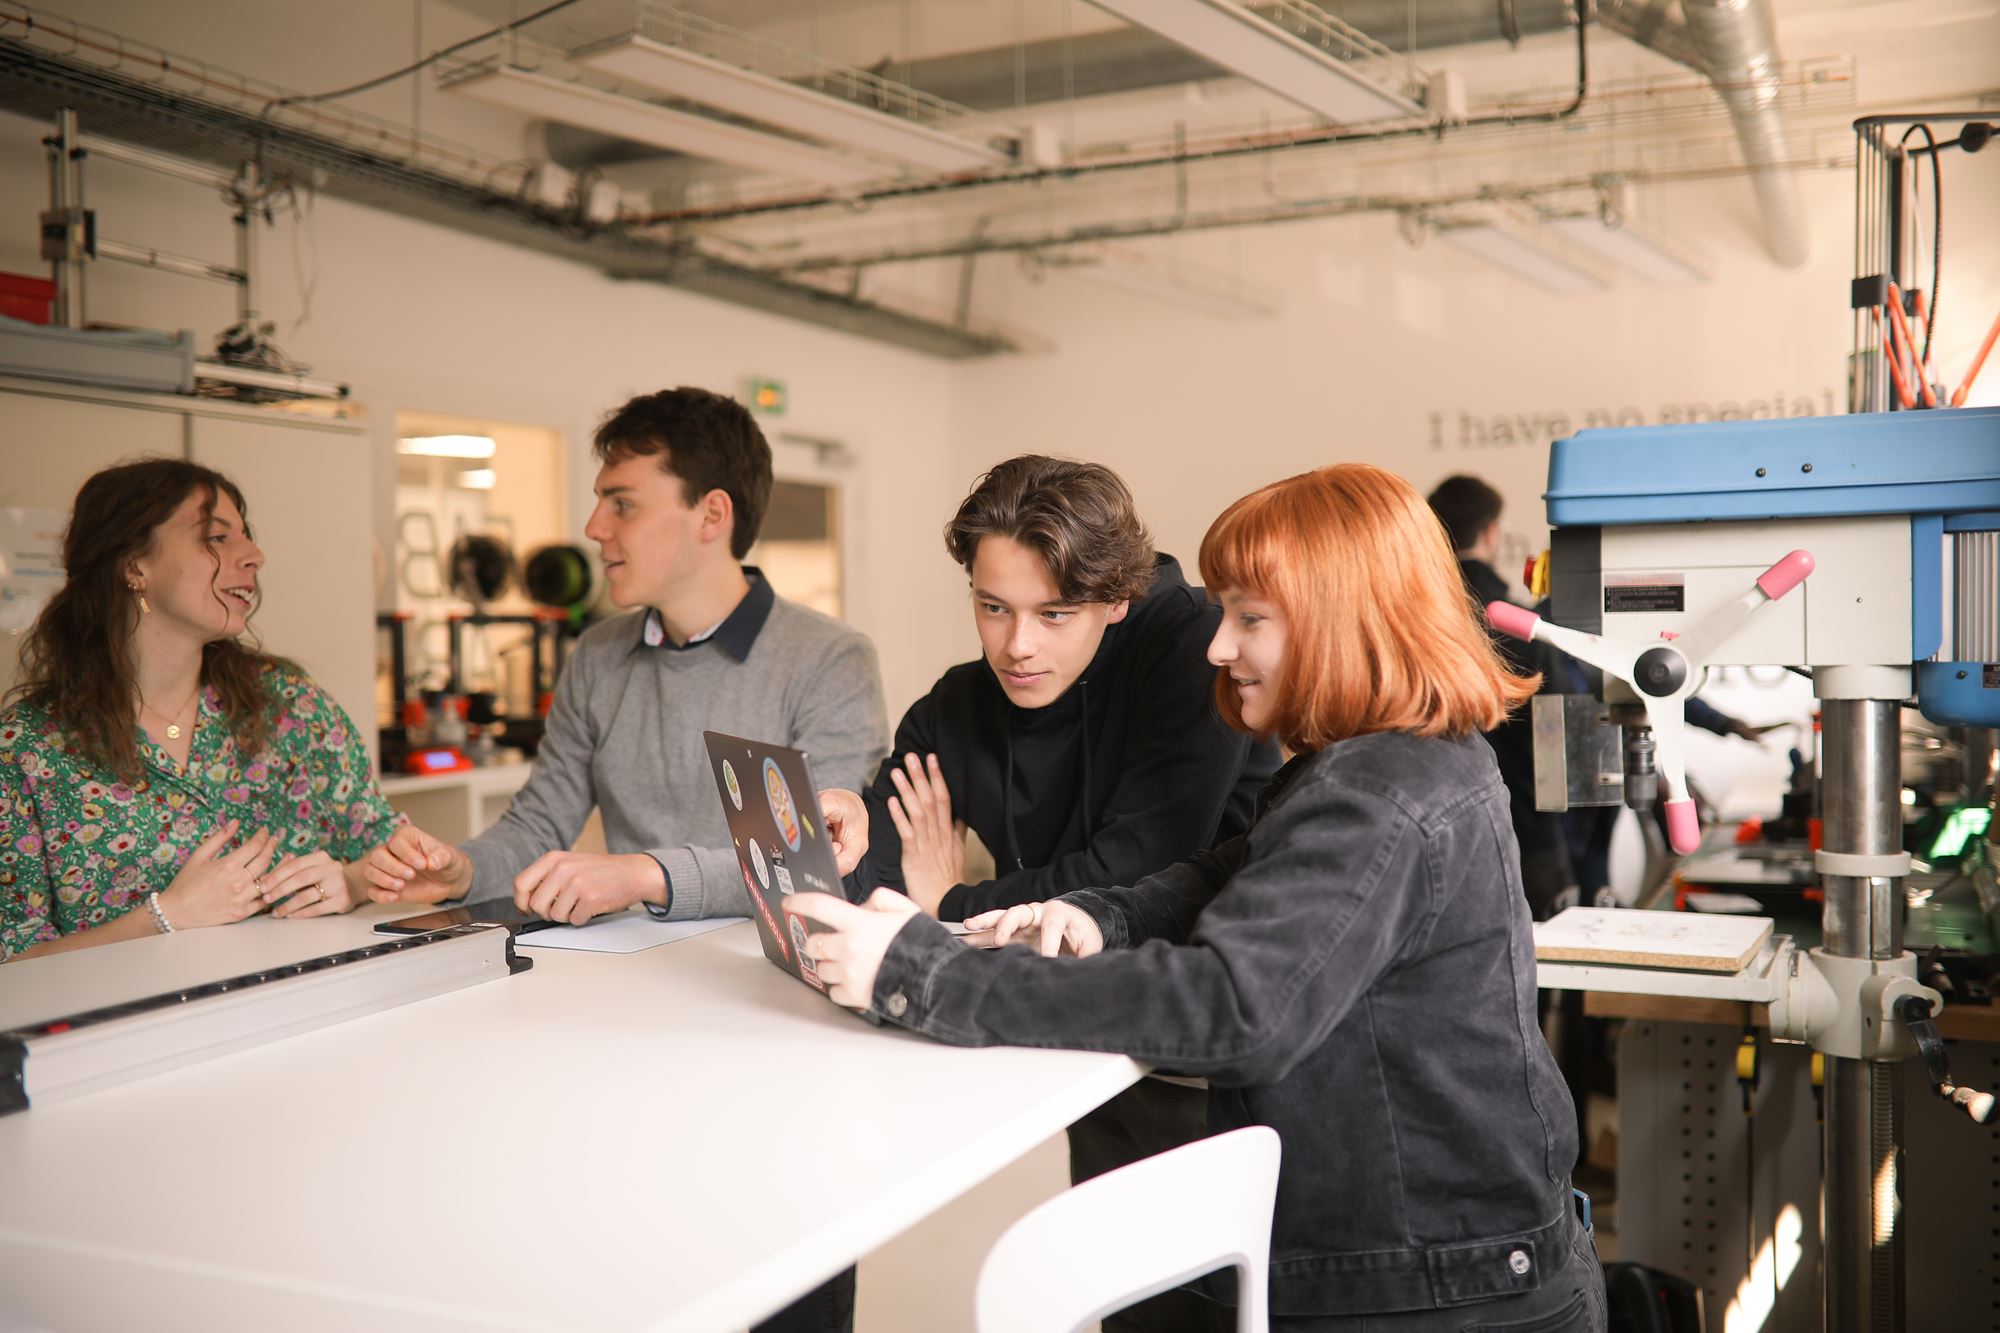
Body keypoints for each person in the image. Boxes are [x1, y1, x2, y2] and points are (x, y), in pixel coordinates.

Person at [790, 464, 1606, 1332]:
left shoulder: (1382, 793)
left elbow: (1234, 1008)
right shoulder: (1386, 759)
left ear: (1341, 623)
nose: (1218, 647)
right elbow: (1232, 866)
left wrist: (928, 972)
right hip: (1443, 1264)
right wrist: (1101, 913)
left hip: (1446, 1294)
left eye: (1249, 619)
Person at [360, 387, 888, 928]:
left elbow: (809, 859)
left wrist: (644, 875)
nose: (594, 528)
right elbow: (538, 826)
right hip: (628, 967)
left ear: (711, 515)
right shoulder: (598, 655)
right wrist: (464, 872)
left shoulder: (830, 660)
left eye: (623, 504)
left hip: (769, 973)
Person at [843, 454, 1279, 922]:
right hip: (1039, 969)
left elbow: (1134, 878)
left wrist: (952, 901)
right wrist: (846, 827)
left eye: (1054, 614)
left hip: (1198, 968)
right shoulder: (956, 705)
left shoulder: (1197, 648)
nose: (1017, 647)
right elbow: (870, 880)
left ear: (1117, 601)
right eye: (994, 608)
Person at [1, 459, 405, 962]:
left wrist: (350, 881)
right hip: (124, 1037)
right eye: (216, 538)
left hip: (301, 1018)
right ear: (134, 565)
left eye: (246, 536)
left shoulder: (291, 706)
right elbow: (11, 962)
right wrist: (165, 916)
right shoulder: (28, 751)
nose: (254, 555)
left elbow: (391, 855)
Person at [1427, 473, 1577, 918]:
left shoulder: (1416, 624)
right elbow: (1557, 732)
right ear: (1491, 532)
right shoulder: (1519, 627)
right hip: (1527, 833)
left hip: (1437, 832)